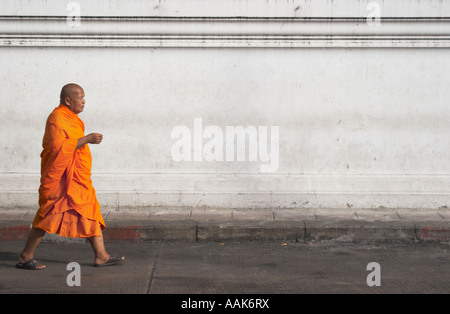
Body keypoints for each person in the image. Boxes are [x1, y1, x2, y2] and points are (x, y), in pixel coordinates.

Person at [16, 83, 124, 270]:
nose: (83, 102)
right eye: (80, 98)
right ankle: (26, 255)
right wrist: (87, 139)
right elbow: (58, 148)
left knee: (90, 211)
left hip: (76, 178)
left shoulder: (71, 118)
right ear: (68, 100)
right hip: (61, 179)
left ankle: (101, 255)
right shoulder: (57, 118)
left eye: (84, 98)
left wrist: (85, 140)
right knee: (48, 214)